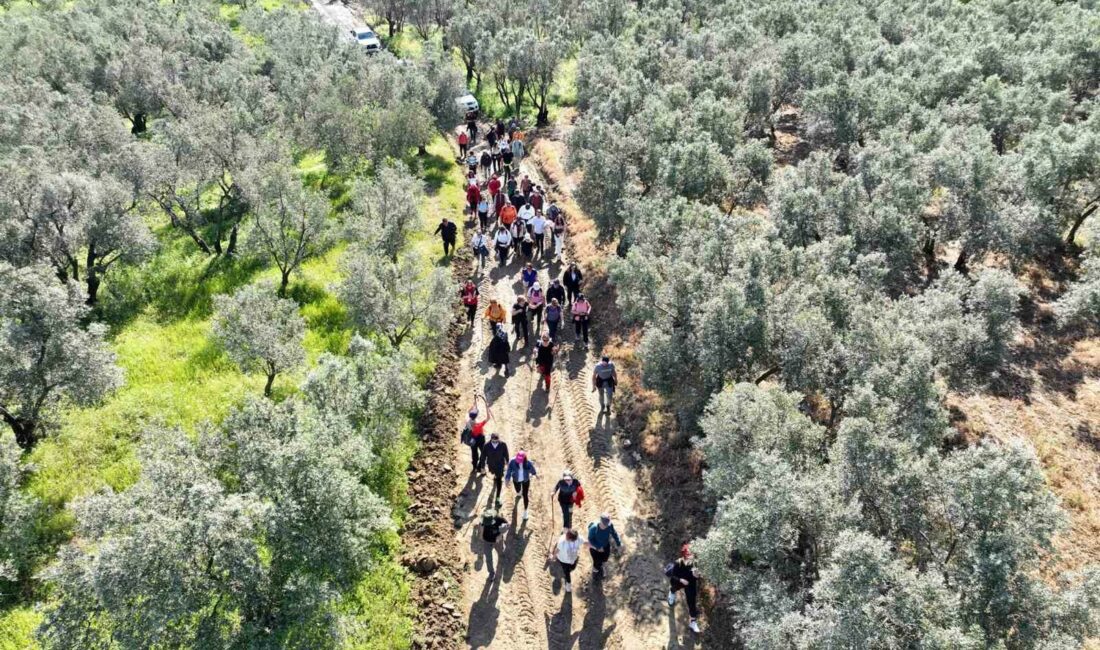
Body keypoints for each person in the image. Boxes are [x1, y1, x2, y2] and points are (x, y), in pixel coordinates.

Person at [667, 544, 702, 634]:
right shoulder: (678, 563)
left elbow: (697, 576)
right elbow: (672, 575)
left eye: (692, 555)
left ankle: (693, 622)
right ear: (685, 556)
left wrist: (697, 575)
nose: (692, 557)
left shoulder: (695, 563)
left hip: (690, 582)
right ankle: (671, 593)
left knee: (692, 600)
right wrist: (680, 580)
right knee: (674, 588)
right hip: (679, 580)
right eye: (689, 555)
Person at [587, 513, 622, 579]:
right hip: (595, 548)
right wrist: (598, 547)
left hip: (605, 546)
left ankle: (601, 567)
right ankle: (595, 572)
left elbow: (614, 533)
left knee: (605, 558)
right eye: (604, 524)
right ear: (600, 521)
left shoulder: (609, 525)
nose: (606, 526)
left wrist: (619, 543)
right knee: (597, 562)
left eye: (607, 524)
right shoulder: (594, 528)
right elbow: (590, 539)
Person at [504, 450, 537, 519]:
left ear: (524, 458)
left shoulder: (528, 463)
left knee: (525, 495)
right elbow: (509, 470)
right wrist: (507, 479)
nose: (518, 461)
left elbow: (533, 470)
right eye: (517, 459)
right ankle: (519, 492)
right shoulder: (512, 462)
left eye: (520, 460)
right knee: (518, 490)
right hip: (516, 479)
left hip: (525, 480)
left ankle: (525, 512)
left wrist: (534, 474)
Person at [477, 508, 508, 580]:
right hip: (487, 541)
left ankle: (501, 564)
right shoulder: (484, 519)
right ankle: (491, 573)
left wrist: (500, 535)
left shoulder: (499, 519)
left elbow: (507, 525)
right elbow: (481, 526)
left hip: (498, 541)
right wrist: (481, 534)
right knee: (488, 558)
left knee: (501, 553)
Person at [461, 400, 491, 473]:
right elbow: (488, 418)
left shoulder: (467, 421)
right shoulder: (478, 424)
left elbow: (467, 413)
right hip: (480, 439)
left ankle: (474, 466)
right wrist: (487, 408)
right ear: (476, 416)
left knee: (474, 453)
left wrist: (473, 406)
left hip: (472, 439)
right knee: (483, 453)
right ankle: (480, 467)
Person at [550, 529, 584, 593]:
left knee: (567, 573)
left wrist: (553, 558)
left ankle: (568, 587)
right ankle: (571, 569)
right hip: (573, 558)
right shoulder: (578, 538)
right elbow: (585, 541)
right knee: (572, 567)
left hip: (564, 561)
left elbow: (557, 551)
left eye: (567, 535)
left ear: (569, 539)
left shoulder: (562, 541)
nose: (565, 535)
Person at [483, 433, 510, 506]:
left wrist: (507, 462)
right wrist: (482, 466)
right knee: (494, 474)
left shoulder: (503, 445)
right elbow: (483, 456)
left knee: (499, 480)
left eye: (496, 440)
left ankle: (497, 498)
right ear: (491, 439)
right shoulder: (486, 445)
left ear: (498, 439)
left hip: (500, 465)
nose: (495, 442)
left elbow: (506, 454)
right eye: (493, 441)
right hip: (491, 465)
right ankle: (495, 476)